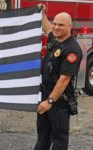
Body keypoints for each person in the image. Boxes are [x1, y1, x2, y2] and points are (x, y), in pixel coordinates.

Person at [34, 4, 83, 150]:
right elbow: (48, 28)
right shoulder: (55, 40)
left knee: (59, 140)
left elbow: (64, 79)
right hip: (45, 95)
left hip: (59, 100)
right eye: (55, 23)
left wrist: (49, 101)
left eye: (61, 25)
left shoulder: (72, 49)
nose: (56, 27)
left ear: (70, 27)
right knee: (43, 135)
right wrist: (43, 14)